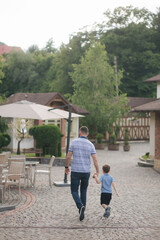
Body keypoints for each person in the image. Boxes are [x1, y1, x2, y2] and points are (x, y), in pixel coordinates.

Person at [65, 126, 99, 221]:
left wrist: (66, 167)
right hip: (86, 171)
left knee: (74, 191)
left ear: (80, 132)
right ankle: (82, 208)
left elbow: (68, 157)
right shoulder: (90, 144)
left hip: (76, 170)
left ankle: (80, 207)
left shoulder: (74, 142)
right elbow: (95, 159)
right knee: (83, 190)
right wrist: (97, 171)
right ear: (87, 133)